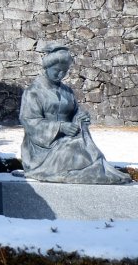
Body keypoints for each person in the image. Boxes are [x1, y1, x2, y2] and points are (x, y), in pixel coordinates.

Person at [19, 43, 131, 184]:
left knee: (85, 148)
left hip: (68, 139)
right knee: (75, 148)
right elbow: (30, 121)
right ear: (47, 67)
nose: (61, 74)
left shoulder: (67, 91)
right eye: (57, 70)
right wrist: (60, 127)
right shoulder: (33, 92)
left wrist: (81, 116)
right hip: (43, 148)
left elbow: (75, 112)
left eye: (64, 71)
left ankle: (99, 173)